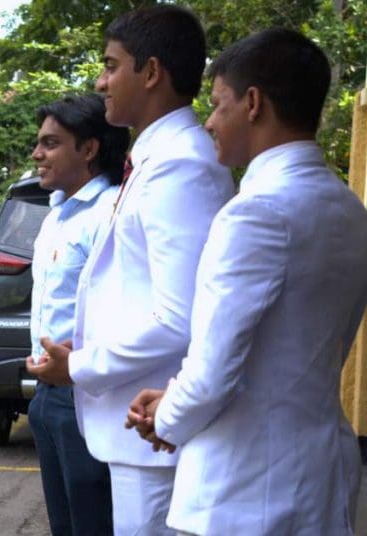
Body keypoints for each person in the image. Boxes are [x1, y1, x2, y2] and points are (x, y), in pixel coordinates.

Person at [125, 28, 367, 535]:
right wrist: (173, 403)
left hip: (243, 491)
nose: (209, 121)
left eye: (218, 104)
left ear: (253, 103)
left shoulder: (255, 213)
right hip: (322, 477)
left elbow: (213, 372)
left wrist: (165, 418)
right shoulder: (349, 209)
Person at [28, 6, 234, 534]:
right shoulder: (154, 160)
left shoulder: (180, 164)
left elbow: (179, 317)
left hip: (152, 432)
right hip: (137, 429)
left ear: (151, 72)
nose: (101, 82)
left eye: (110, 65)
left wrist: (80, 365)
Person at [24, 94, 129, 535]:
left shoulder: (111, 214)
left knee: (93, 523)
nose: (37, 154)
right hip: (47, 395)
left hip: (86, 393)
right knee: (64, 524)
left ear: (88, 149)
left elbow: (122, 307)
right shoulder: (57, 216)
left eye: (50, 143)